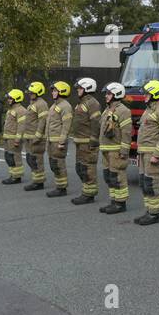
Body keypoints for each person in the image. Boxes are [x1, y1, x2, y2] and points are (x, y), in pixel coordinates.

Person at [134, 79, 159, 225]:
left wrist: (157, 154)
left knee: (152, 183)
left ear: (155, 94)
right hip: (144, 152)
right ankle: (149, 210)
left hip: (152, 153)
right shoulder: (149, 109)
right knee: (144, 182)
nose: (145, 96)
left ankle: (155, 214)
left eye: (147, 93)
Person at [98, 82, 130, 214]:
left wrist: (124, 151)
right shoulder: (108, 109)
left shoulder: (123, 111)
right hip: (106, 149)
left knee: (117, 176)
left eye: (109, 93)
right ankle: (113, 201)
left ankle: (120, 204)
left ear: (116, 94)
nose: (106, 96)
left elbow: (127, 133)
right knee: (109, 176)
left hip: (116, 150)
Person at [70, 77, 102, 205]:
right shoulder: (81, 102)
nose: (78, 90)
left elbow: (96, 122)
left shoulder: (92, 103)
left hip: (87, 143)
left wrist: (93, 140)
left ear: (87, 88)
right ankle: (86, 191)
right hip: (80, 142)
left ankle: (89, 195)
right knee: (80, 168)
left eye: (80, 88)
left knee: (87, 168)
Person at [45, 81, 74, 197]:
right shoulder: (54, 105)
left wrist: (62, 141)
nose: (53, 92)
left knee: (59, 164)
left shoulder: (65, 106)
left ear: (62, 91)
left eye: (55, 90)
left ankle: (62, 189)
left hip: (58, 141)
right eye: (52, 90)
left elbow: (66, 125)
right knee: (53, 164)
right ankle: (59, 186)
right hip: (51, 140)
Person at [23, 81, 49, 190]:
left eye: (32, 92)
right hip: (29, 137)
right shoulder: (33, 103)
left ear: (38, 92)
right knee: (30, 159)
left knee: (36, 159)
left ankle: (39, 183)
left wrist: (37, 136)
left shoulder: (41, 104)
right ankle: (36, 180)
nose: (30, 94)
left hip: (36, 138)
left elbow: (43, 121)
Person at [0, 88, 29, 185]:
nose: (8, 100)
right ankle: (13, 175)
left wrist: (17, 139)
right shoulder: (11, 110)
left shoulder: (21, 110)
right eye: (8, 98)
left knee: (15, 157)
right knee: (9, 157)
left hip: (14, 139)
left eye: (10, 98)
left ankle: (17, 177)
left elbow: (22, 126)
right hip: (8, 138)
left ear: (17, 98)